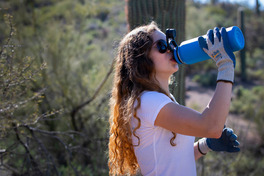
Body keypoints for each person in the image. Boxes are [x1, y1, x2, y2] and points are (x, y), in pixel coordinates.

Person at [108, 21, 240, 176]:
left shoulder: (162, 100)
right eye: (162, 45)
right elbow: (212, 127)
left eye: (171, 43)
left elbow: (174, 159)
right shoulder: (148, 101)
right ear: (140, 59)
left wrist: (204, 145)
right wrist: (225, 65)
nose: (171, 48)